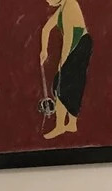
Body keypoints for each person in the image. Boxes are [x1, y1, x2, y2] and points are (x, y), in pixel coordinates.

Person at [39, 0, 93, 140]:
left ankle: (60, 126)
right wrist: (44, 50)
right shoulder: (62, 8)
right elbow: (46, 29)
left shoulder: (70, 5)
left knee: (62, 85)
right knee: (69, 85)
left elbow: (68, 38)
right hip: (77, 46)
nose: (47, 1)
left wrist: (61, 64)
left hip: (79, 47)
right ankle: (71, 124)